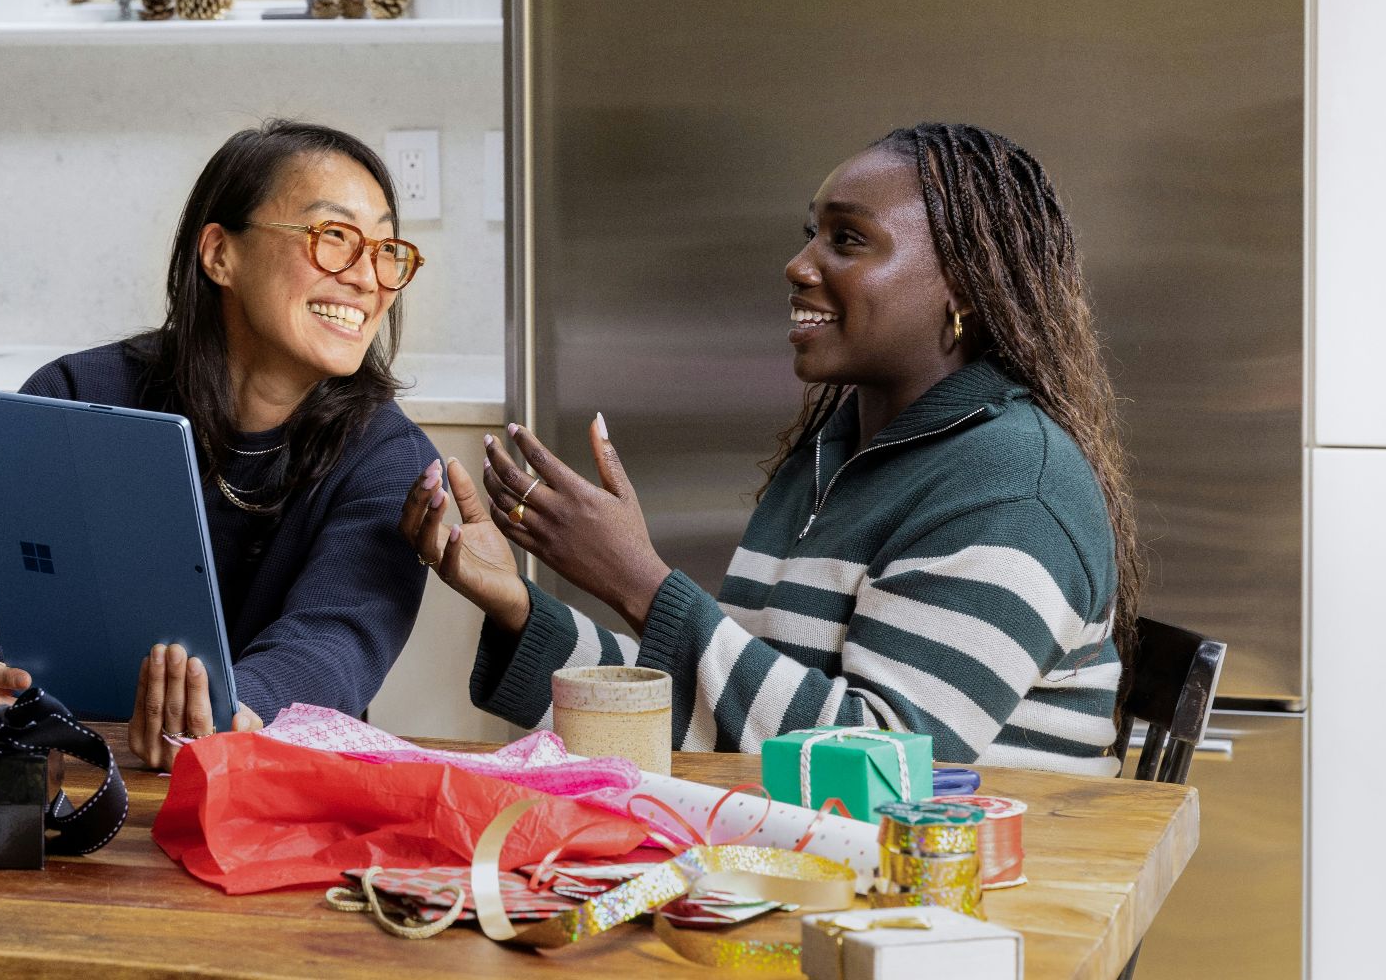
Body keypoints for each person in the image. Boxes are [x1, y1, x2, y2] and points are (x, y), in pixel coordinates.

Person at [401, 122, 1138, 776]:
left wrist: (638, 582)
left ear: (966, 288)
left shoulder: (1011, 485)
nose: (799, 263)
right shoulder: (835, 454)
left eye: (846, 238)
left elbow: (885, 772)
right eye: (810, 233)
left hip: (969, 902)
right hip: (825, 874)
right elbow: (739, 718)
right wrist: (517, 610)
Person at [0, 120, 437, 770]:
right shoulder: (71, 394)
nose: (366, 278)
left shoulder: (389, 458)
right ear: (219, 254)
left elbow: (333, 643)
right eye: (335, 238)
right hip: (64, 775)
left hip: (262, 792)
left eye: (385, 251)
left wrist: (224, 715)